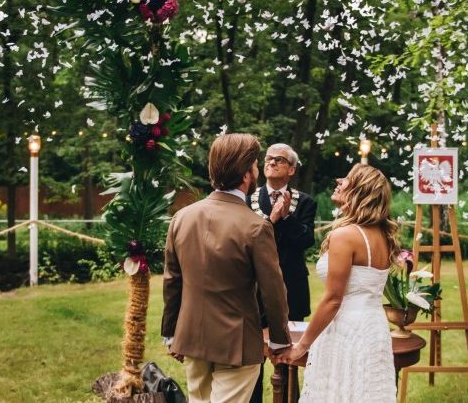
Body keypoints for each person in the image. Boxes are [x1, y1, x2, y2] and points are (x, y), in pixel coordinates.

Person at [162, 133, 292, 403]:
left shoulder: (181, 218)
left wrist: (170, 332)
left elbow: (172, 281)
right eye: (255, 165)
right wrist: (279, 340)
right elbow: (273, 291)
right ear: (246, 174)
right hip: (237, 343)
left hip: (192, 337)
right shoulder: (256, 227)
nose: (257, 171)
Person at [275, 164, 399, 402]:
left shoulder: (346, 235)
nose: (339, 180)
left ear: (360, 190)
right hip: (373, 328)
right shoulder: (382, 234)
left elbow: (333, 299)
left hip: (347, 331)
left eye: (347, 178)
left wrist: (302, 346)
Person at [247, 143, 316, 403]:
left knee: (288, 359)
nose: (272, 162)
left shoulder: (305, 202)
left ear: (292, 169)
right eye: (268, 158)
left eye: (280, 159)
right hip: (253, 289)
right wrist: (272, 219)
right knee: (252, 360)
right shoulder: (248, 199)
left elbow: (306, 241)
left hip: (291, 289)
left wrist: (287, 218)